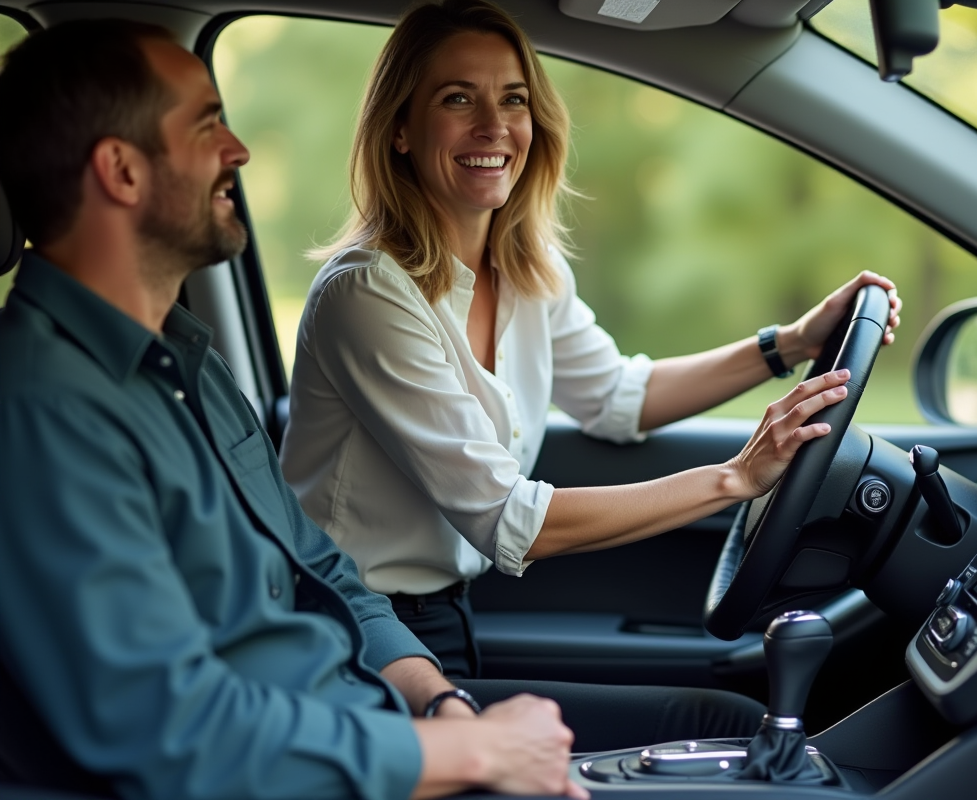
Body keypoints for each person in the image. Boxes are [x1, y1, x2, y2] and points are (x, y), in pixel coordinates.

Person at [0, 19, 588, 800]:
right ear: (122, 172)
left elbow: (323, 573)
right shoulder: (45, 409)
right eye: (208, 125)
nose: (237, 152)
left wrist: (441, 704)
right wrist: (472, 757)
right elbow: (169, 731)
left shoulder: (193, 366)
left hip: (362, 722)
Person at [280, 0, 902, 680]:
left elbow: (617, 397)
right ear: (400, 129)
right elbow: (513, 519)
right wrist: (736, 478)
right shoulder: (368, 293)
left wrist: (790, 343)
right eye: (458, 98)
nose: (494, 125)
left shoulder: (526, 266)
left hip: (446, 615)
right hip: (349, 634)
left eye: (513, 100)